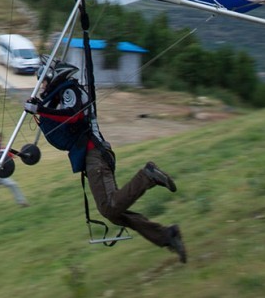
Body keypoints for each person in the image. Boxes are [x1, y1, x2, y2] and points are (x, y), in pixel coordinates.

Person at [25, 64, 187, 262]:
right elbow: (58, 117)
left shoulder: (70, 90)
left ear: (54, 77)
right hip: (94, 157)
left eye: (44, 83)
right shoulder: (62, 96)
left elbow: (74, 115)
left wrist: (40, 108)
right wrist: (38, 108)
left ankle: (147, 176)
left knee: (109, 208)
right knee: (114, 214)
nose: (42, 88)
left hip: (95, 154)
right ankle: (167, 236)